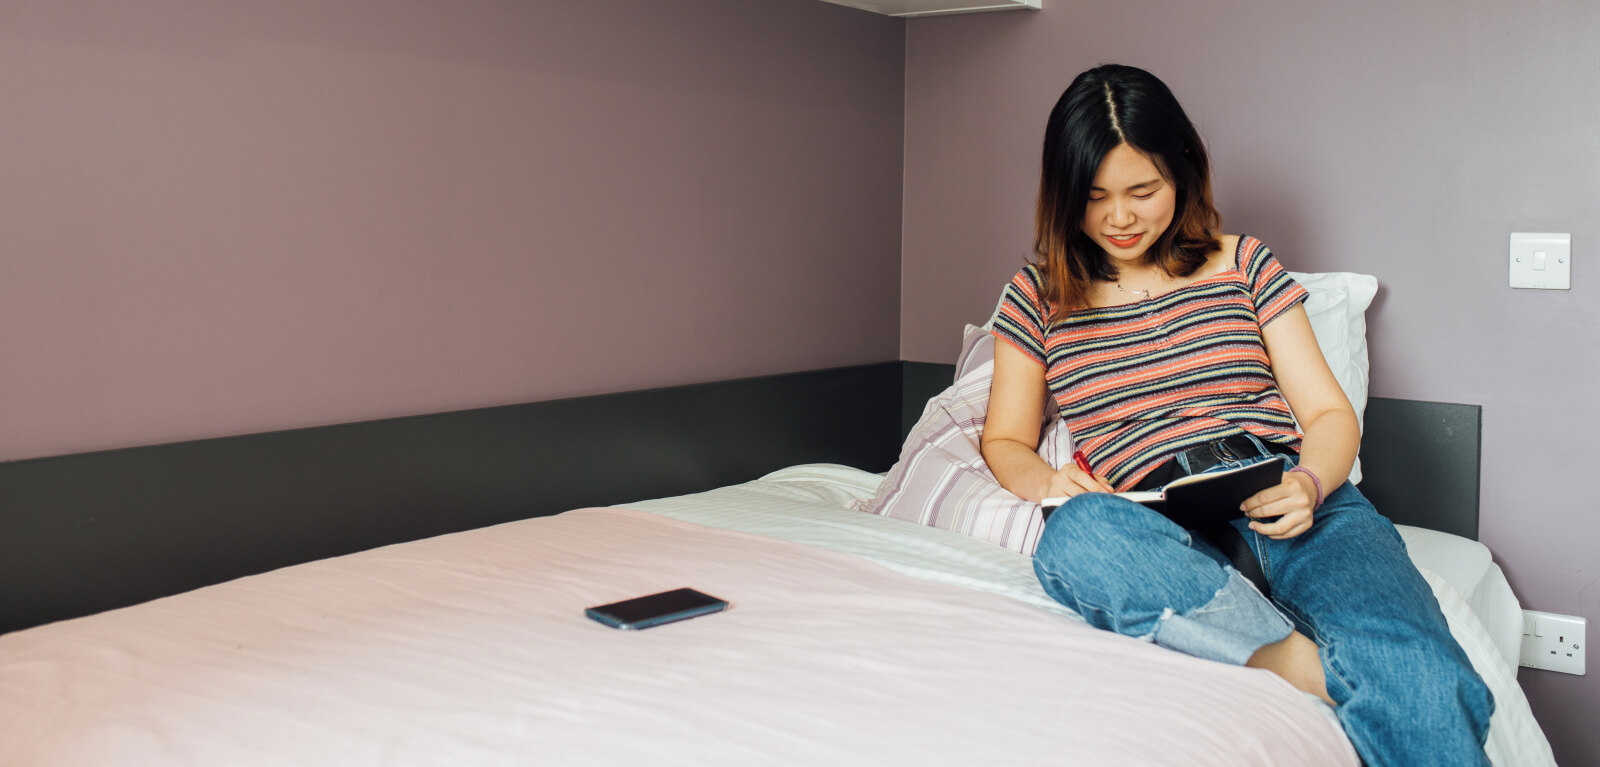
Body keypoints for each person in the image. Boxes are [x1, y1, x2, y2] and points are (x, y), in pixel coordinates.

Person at [978, 63, 1493, 767]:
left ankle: (1299, 646)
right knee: (1076, 538)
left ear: (1183, 172)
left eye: (1142, 192)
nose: (1119, 218)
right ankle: (1292, 658)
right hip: (1156, 523)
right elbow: (1005, 439)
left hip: (1287, 495)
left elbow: (1328, 413)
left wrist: (1310, 483)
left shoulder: (1245, 263)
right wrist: (1047, 482)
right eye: (1094, 198)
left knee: (1422, 668)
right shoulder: (1037, 296)